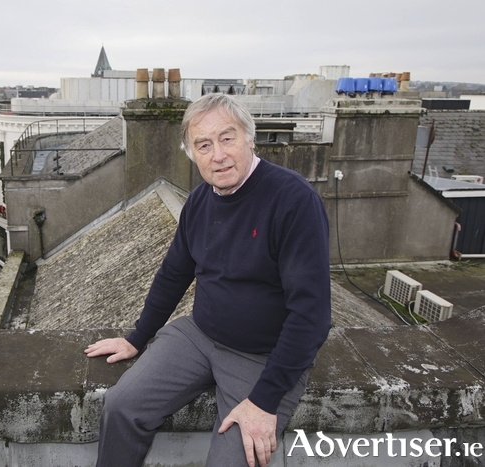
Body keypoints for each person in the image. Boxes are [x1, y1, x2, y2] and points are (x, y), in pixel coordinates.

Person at [84, 93, 331, 467]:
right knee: (121, 406)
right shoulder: (200, 201)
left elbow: (312, 315)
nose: (217, 155)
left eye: (227, 138)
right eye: (204, 144)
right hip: (198, 337)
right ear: (193, 154)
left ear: (250, 138)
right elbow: (174, 273)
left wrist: (265, 401)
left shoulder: (292, 200)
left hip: (262, 358)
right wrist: (137, 336)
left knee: (231, 461)